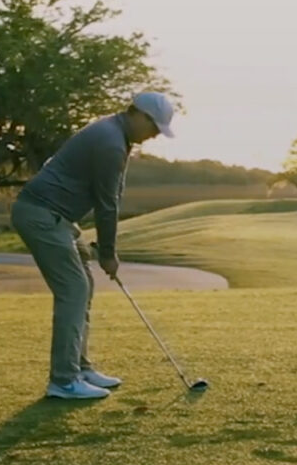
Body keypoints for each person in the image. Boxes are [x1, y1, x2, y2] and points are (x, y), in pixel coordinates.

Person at [11, 91, 175, 400]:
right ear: (138, 114)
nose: (154, 135)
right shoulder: (111, 142)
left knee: (82, 284)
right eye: (154, 127)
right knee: (73, 290)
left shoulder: (114, 134)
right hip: (42, 215)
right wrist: (109, 254)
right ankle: (63, 380)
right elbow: (107, 204)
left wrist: (102, 247)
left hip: (54, 215)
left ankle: (80, 367)